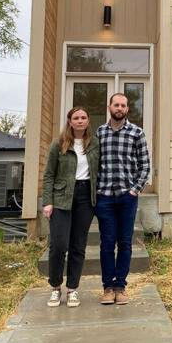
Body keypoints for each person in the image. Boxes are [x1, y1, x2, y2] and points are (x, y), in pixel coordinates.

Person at [94, 93, 150, 305]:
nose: (119, 108)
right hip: (105, 197)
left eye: (123, 105)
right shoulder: (100, 133)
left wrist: (135, 189)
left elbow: (145, 165)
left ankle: (121, 287)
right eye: (116, 104)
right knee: (107, 243)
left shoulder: (137, 132)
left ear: (127, 109)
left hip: (127, 197)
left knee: (125, 243)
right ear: (109, 106)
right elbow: (94, 164)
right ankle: (108, 287)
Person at [41, 106, 99, 308]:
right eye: (76, 117)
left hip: (85, 197)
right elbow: (49, 174)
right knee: (58, 245)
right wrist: (47, 201)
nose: (80, 120)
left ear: (88, 121)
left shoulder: (94, 144)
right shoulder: (59, 144)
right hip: (62, 197)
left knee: (78, 245)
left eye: (84, 117)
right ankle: (56, 287)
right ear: (70, 121)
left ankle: (73, 288)